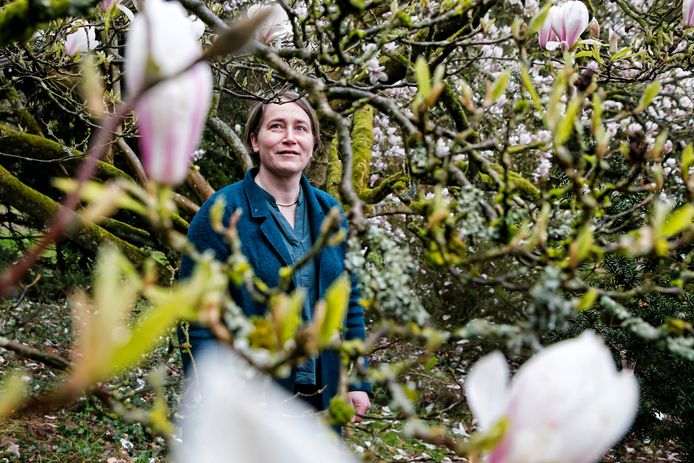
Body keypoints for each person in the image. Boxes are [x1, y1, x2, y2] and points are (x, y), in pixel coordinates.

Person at [178, 92, 371, 421]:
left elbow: (349, 297)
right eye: (277, 126)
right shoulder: (222, 213)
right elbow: (196, 315)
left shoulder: (330, 213)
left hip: (324, 394)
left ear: (312, 143)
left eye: (301, 128)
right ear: (255, 141)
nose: (289, 138)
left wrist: (359, 379)